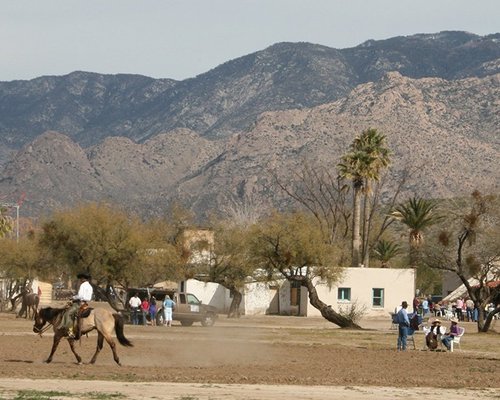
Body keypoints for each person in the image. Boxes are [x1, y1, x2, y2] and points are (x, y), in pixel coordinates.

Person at [59, 272, 93, 339]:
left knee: (68, 313)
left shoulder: (83, 285)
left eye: (81, 278)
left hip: (80, 303)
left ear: (83, 279)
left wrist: (73, 297)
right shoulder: (90, 286)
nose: (80, 279)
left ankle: (70, 332)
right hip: (85, 303)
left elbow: (80, 296)